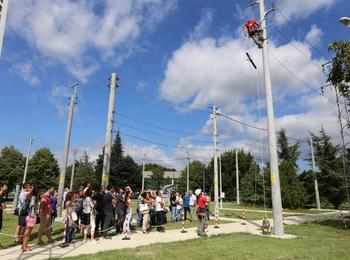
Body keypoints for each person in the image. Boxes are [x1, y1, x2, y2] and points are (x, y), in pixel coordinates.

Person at [22, 187, 39, 252]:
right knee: (28, 232)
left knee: (27, 232)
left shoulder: (29, 196)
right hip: (31, 216)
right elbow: (32, 205)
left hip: (28, 216)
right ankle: (24, 247)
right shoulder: (34, 197)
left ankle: (24, 245)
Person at [0, 183, 8, 249]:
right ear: (1, 187)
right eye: (5, 186)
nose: (6, 187)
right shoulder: (1, 195)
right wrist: (4, 206)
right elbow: (4, 206)